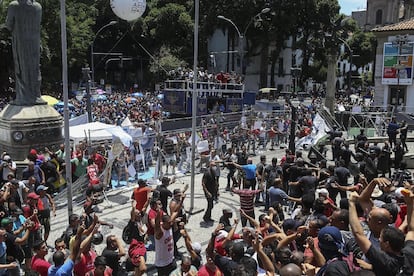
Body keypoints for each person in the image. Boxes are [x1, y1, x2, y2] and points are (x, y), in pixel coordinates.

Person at [349, 191, 404, 276]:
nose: (367, 219)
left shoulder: (385, 259)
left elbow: (358, 233)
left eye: (369, 218)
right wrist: (373, 182)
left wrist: (351, 203)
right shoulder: (390, 232)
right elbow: (365, 200)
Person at [6, 0, 43, 106]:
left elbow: (8, 25)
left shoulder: (14, 6)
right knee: (35, 68)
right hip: (35, 43)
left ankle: (24, 97)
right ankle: (35, 95)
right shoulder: (38, 7)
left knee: (22, 70)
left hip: (20, 42)